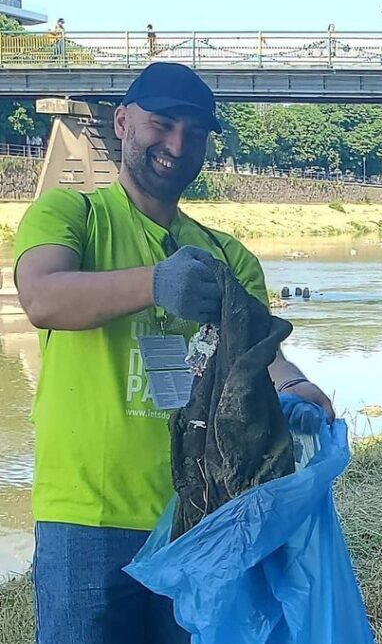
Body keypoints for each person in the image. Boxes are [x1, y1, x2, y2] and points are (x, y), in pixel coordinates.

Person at [14, 62, 335, 644]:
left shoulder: (226, 254)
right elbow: (42, 297)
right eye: (161, 124)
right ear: (122, 122)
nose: (175, 145)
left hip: (202, 519)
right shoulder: (72, 215)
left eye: (194, 132)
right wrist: (154, 284)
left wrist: (293, 386)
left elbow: (261, 353)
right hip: (87, 517)